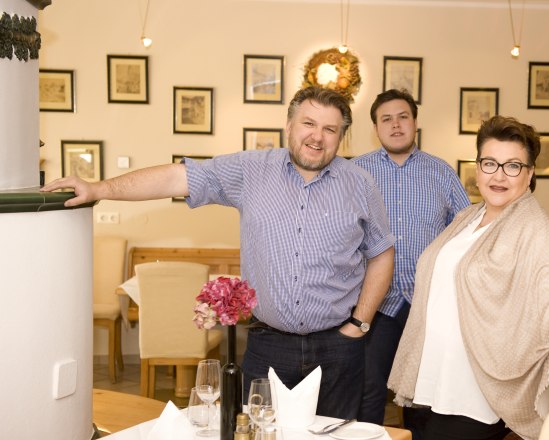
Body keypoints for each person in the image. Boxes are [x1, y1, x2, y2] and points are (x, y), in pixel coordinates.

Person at [42, 87, 395, 419]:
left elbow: (381, 252)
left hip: (339, 346)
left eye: (330, 129)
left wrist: (359, 323)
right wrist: (100, 187)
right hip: (269, 345)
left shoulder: (360, 183)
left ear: (341, 136)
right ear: (289, 126)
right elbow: (175, 178)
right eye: (308, 123)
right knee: (257, 434)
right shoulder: (250, 170)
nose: (317, 136)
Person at [387, 116, 549, 440]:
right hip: (432, 381)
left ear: (529, 174)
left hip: (472, 394)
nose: (498, 175)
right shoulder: (468, 216)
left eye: (513, 166)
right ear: (477, 167)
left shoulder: (535, 231)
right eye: (490, 163)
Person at [353, 89, 471, 427]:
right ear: (375, 127)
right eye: (386, 119)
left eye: (402, 116)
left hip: (426, 305)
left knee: (421, 395)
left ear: (415, 123)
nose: (395, 125)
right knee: (369, 389)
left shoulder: (441, 172)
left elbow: (463, 233)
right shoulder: (357, 172)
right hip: (375, 303)